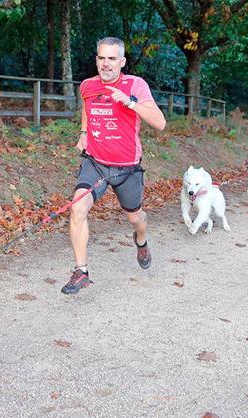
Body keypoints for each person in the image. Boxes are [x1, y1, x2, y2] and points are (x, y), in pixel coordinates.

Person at [60, 37, 167, 295]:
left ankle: (141, 240)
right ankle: (81, 271)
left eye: (111, 59)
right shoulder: (87, 85)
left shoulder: (135, 85)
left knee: (136, 218)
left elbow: (160, 123)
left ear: (122, 62)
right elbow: (88, 107)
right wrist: (85, 131)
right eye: (101, 58)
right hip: (95, 163)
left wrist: (129, 102)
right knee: (77, 209)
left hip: (126, 167)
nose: (105, 64)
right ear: (96, 59)